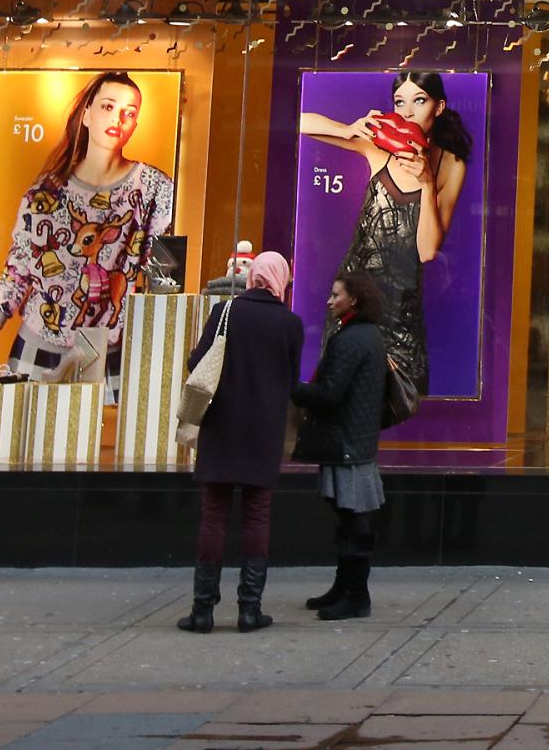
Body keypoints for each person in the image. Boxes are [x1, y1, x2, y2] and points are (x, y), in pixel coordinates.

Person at [0, 70, 176, 389]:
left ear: (136, 124)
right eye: (108, 107)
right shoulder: (46, 194)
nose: (118, 119)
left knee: (103, 437)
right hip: (36, 351)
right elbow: (14, 277)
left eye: (129, 112)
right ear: (86, 114)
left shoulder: (155, 189)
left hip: (110, 357)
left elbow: (162, 277)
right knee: (36, 436)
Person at [298, 71, 471, 397]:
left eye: (419, 100)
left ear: (438, 107)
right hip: (353, 298)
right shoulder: (380, 146)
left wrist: (427, 183)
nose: (406, 112)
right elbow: (298, 120)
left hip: (402, 305)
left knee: (402, 401)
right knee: (341, 398)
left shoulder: (450, 165)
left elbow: (427, 251)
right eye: (399, 102)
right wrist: (346, 129)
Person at [176, 251, 304, 635]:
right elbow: (292, 382)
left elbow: (197, 363)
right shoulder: (291, 324)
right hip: (263, 429)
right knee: (256, 514)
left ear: (252, 277)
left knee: (214, 516)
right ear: (280, 279)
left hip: (221, 424)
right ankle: (250, 610)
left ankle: (203, 611)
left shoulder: (225, 313)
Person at [294, 270, 390, 622]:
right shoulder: (367, 336)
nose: (330, 300)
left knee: (353, 519)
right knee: (350, 518)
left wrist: (294, 388)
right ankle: (345, 587)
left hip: (348, 443)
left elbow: (330, 392)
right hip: (356, 440)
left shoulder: (350, 339)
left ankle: (355, 594)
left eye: (337, 295)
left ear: (355, 300)